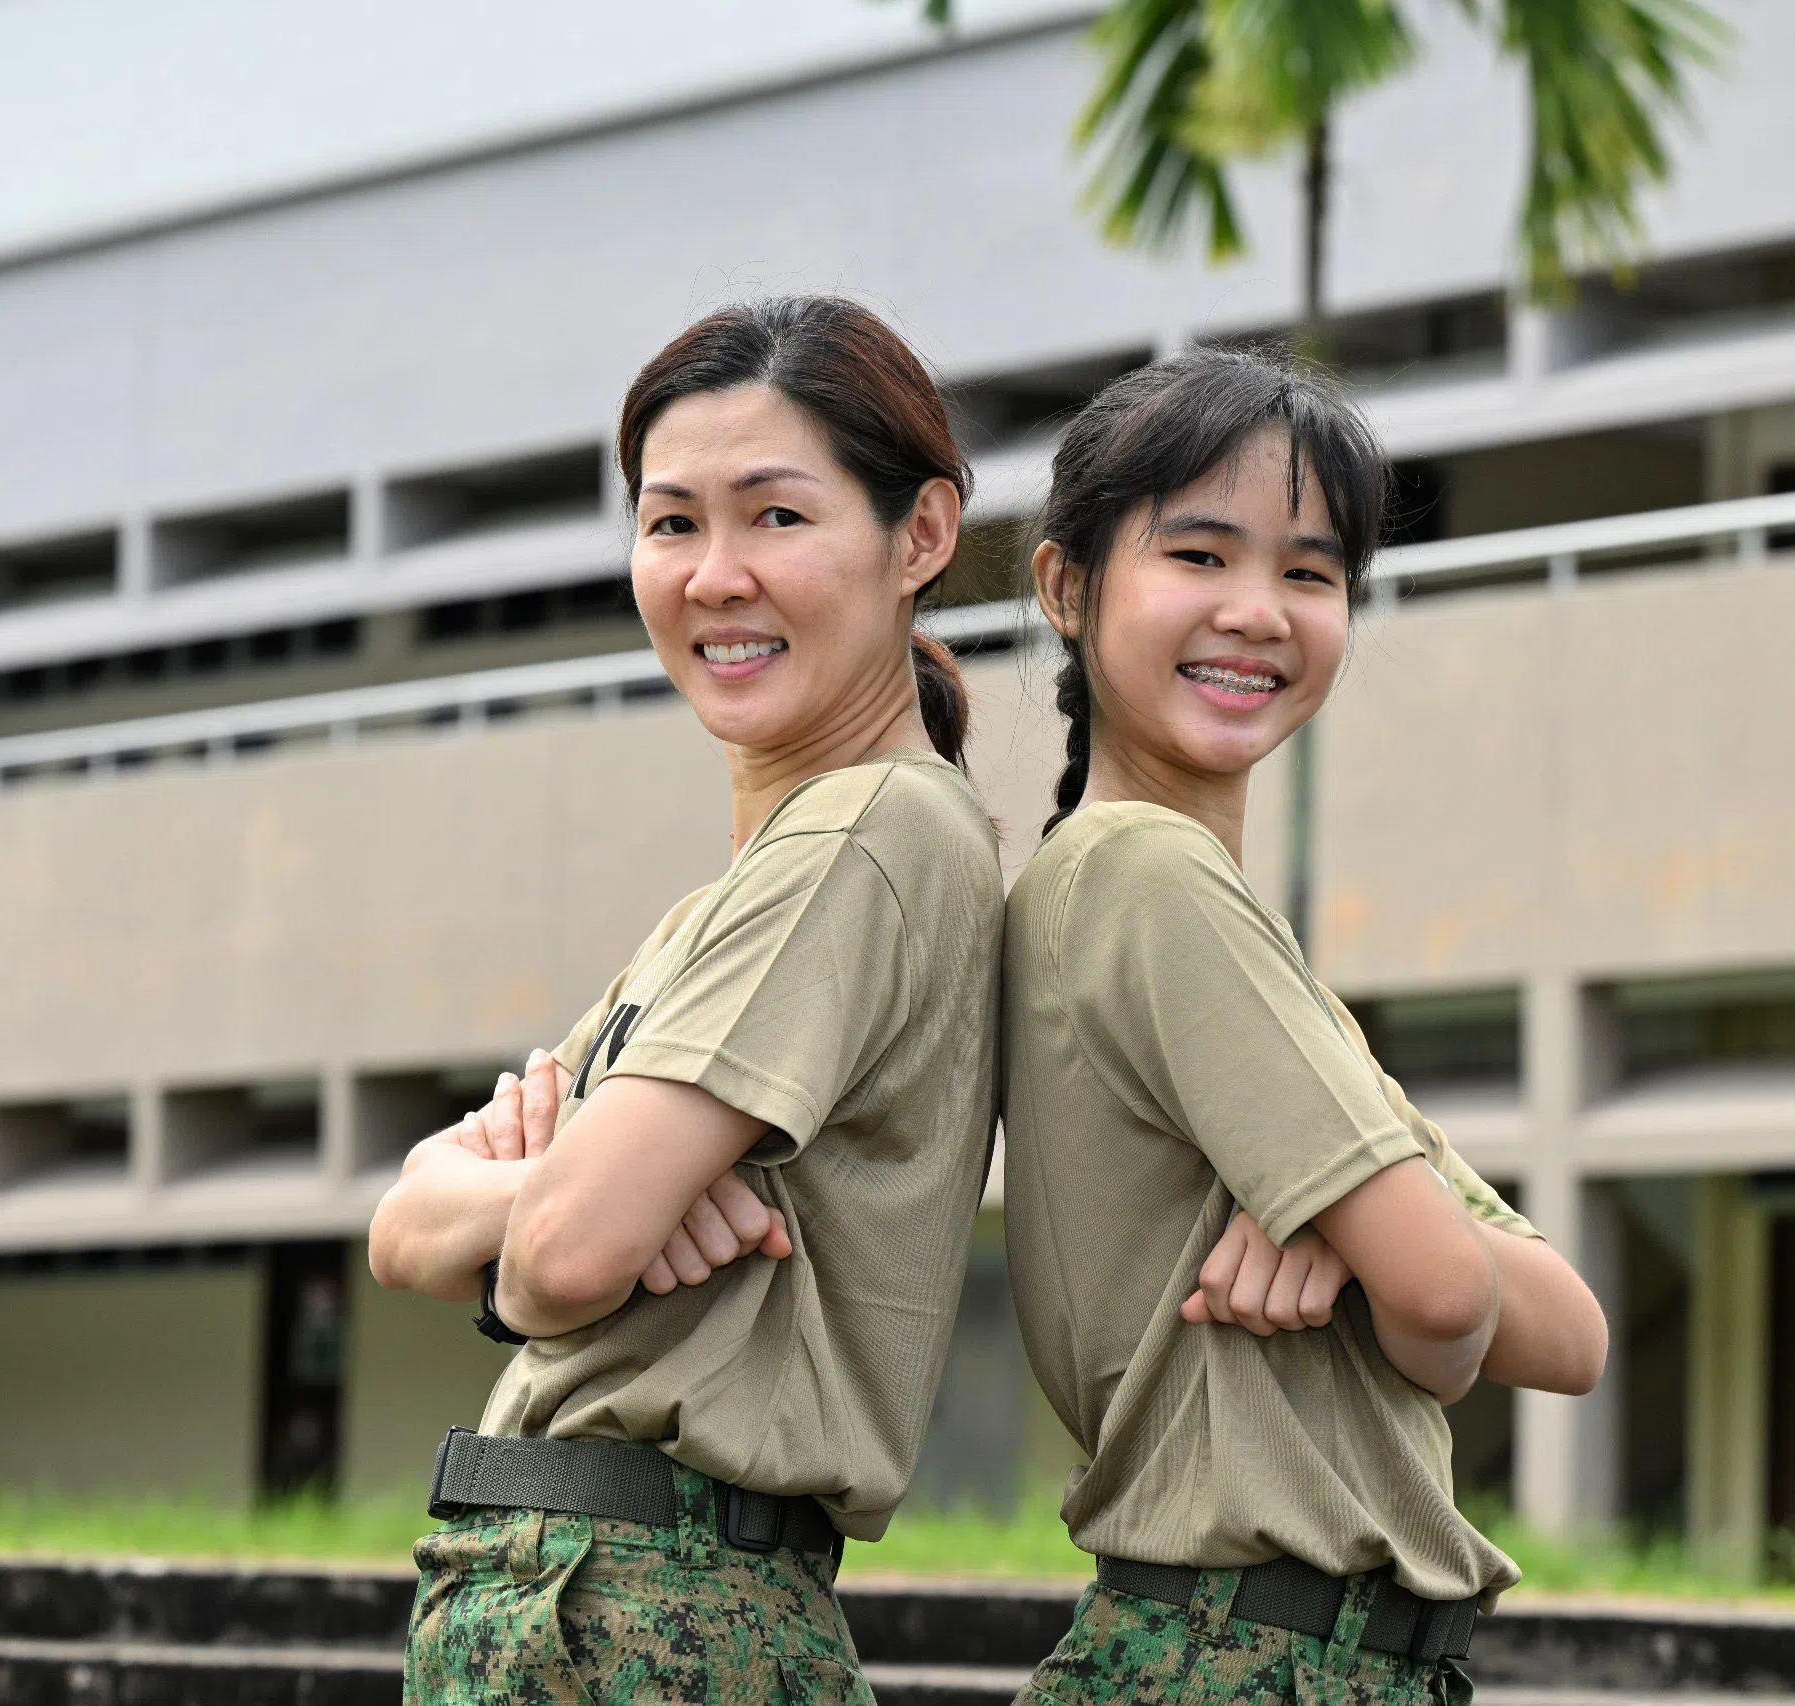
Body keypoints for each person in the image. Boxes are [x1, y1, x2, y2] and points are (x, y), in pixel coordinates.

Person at [366, 296, 1005, 1705]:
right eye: (672, 523)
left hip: (645, 1610)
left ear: (920, 535)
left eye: (777, 517)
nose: (717, 576)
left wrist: (568, 1202)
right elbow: (403, 1225)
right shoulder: (738, 896)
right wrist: (568, 1189)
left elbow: (567, 1253)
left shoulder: (865, 837)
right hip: (604, 1596)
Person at [1001, 347, 1610, 1704]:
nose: (1257, 613)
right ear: (1066, 586)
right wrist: (1411, 1279)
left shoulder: (1199, 921)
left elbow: (1571, 1333)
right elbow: (1453, 1295)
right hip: (1249, 1659)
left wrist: (1365, 1245)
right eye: (1199, 555)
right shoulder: (1147, 877)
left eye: (1311, 572)